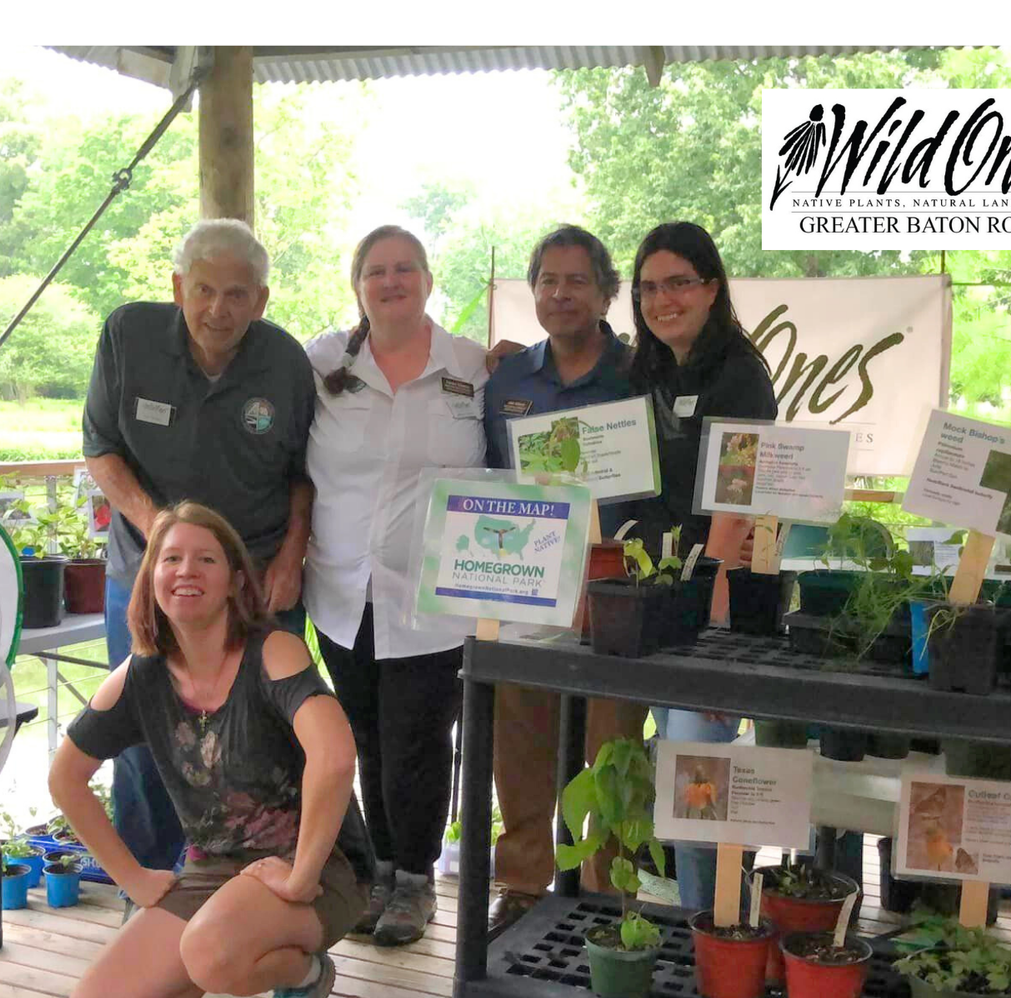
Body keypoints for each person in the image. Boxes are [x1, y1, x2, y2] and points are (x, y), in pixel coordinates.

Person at [49, 503, 376, 998]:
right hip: (214, 873)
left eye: (206, 558)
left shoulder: (272, 652)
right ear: (150, 578)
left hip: (316, 871)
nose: (186, 571)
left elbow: (335, 754)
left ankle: (302, 975)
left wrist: (300, 877)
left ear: (234, 581)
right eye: (170, 558)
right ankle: (225, 948)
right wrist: (132, 877)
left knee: (210, 953)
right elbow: (65, 777)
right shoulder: (140, 675)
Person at [80, 219, 318, 874]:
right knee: (144, 735)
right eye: (205, 290)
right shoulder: (128, 336)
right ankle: (153, 889)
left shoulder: (284, 361)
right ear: (178, 285)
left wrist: (292, 555)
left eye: (237, 294)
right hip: (152, 580)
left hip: (255, 584)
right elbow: (101, 449)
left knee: (267, 740)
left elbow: (304, 474)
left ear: (261, 300)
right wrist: (158, 528)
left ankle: (270, 891)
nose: (219, 309)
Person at [303, 225, 491, 947]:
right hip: (344, 589)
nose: (391, 281)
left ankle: (417, 880)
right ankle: (379, 871)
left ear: (428, 279)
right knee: (363, 736)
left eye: (404, 268)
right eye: (376, 271)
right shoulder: (322, 363)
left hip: (436, 595)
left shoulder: (472, 366)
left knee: (418, 738)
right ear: (358, 284)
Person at [480, 223, 658, 937]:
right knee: (519, 744)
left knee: (610, 749)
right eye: (548, 281)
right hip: (526, 584)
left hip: (618, 593)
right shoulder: (507, 381)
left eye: (576, 280)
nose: (560, 294)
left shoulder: (642, 374)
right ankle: (521, 886)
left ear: (608, 292)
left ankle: (605, 896)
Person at [622, 221, 776, 921]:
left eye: (679, 282)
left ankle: (714, 936)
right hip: (654, 598)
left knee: (697, 781)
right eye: (650, 287)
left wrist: (718, 619)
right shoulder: (644, 371)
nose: (664, 299)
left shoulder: (739, 374)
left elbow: (740, 494)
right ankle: (705, 930)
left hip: (713, 599)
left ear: (712, 287)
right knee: (684, 778)